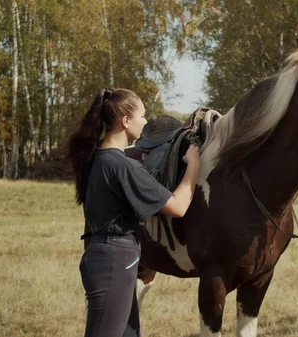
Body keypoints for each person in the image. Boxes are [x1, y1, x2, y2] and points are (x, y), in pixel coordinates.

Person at [68, 88, 200, 337]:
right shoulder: (122, 165)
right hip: (114, 262)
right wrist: (193, 165)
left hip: (109, 257)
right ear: (125, 121)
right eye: (142, 116)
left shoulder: (98, 158)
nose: (147, 122)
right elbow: (178, 207)